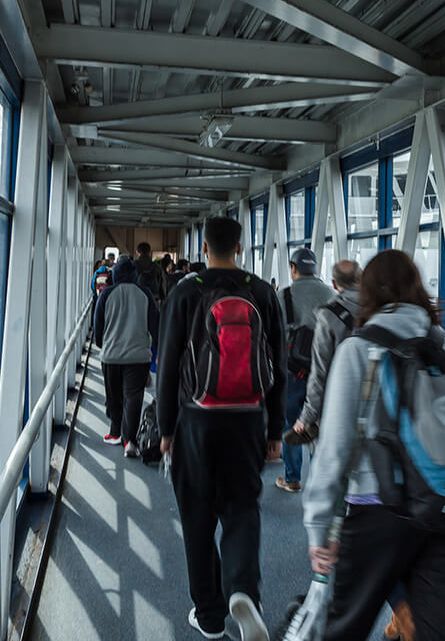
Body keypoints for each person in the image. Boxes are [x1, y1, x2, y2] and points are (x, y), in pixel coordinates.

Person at [303, 250, 445, 641]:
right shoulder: (441, 342)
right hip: (443, 507)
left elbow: (335, 451)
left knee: (344, 627)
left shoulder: (359, 348)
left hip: (376, 510)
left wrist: (319, 528)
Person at [156, 216, 285, 641]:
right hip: (249, 420)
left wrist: (166, 428)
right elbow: (278, 369)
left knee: (196, 516)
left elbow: (169, 364)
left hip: (196, 419)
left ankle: (210, 616)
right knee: (242, 507)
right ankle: (244, 590)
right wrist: (274, 432)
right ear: (240, 246)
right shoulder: (263, 293)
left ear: (206, 248)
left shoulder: (186, 292)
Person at [274, 247, 334, 493]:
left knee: (292, 422)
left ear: (294, 268)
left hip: (292, 370)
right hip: (324, 370)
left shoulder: (284, 295)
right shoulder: (330, 294)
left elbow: (273, 334)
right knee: (322, 425)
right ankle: (321, 481)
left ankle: (292, 478)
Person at [289, 259, 361, 444]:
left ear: (335, 284)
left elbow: (320, 371)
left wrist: (306, 417)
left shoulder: (329, 315)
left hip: (338, 400)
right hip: (375, 404)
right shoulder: (379, 309)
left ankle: (293, 474)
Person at [92, 257, 159, 454]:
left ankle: (114, 433)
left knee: (114, 396)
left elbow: (98, 326)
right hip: (139, 357)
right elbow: (156, 326)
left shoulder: (106, 295)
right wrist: (158, 349)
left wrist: (101, 344)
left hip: (111, 355)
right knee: (134, 396)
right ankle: (129, 441)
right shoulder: (145, 294)